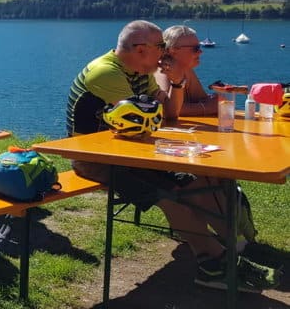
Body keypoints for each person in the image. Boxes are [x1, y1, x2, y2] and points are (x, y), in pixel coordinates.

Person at [66, 20, 278, 293]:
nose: (164, 54)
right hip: (95, 160)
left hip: (129, 151)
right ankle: (215, 264)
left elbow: (170, 114)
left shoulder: (139, 71)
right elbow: (146, 119)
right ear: (141, 49)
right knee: (171, 193)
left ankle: (229, 246)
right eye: (161, 47)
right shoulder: (106, 73)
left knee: (194, 180)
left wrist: (176, 81)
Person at [155, 25, 217, 119]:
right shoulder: (162, 70)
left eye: (199, 47)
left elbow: (202, 99)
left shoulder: (186, 69)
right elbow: (165, 109)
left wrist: (214, 100)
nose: (200, 52)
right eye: (195, 48)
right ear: (173, 50)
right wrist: (206, 108)